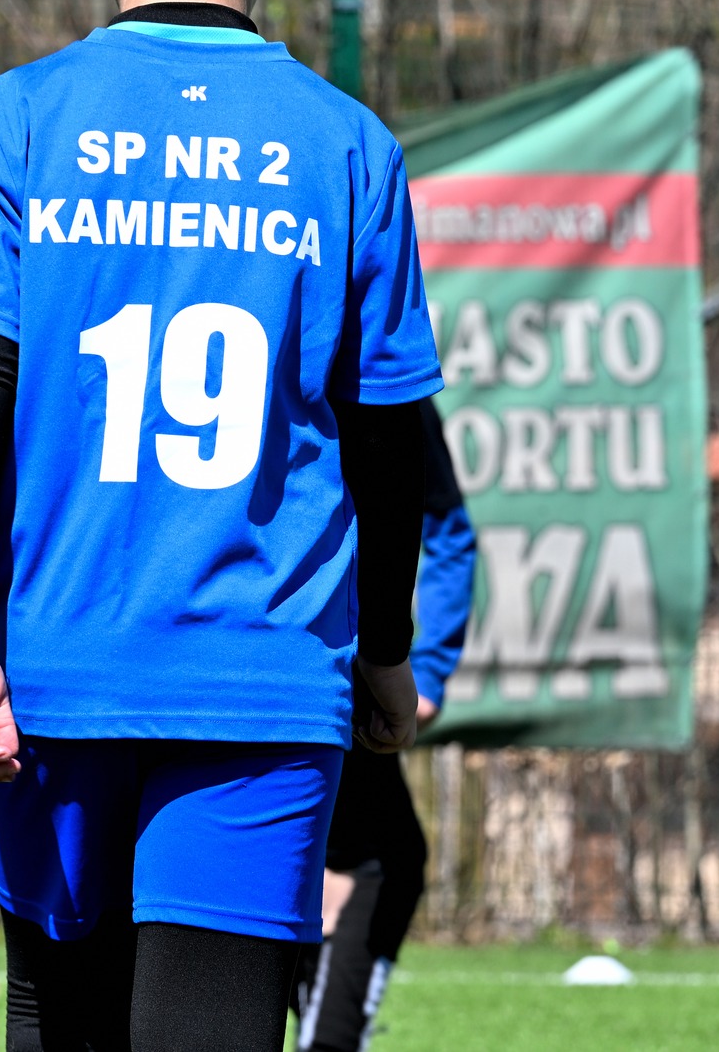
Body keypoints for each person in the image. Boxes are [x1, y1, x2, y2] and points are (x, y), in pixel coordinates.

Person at [0, 0, 444, 1052]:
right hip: (261, 676)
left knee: (61, 1023)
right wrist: (385, 647)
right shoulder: (348, 148)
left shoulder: (18, 120)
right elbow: (388, 445)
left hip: (55, 668)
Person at [293, 398, 476, 1052]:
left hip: (319, 668)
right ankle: (326, 1035)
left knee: (365, 854)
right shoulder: (369, 362)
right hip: (309, 664)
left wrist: (425, 667)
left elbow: (446, 527)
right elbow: (442, 523)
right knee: (373, 859)